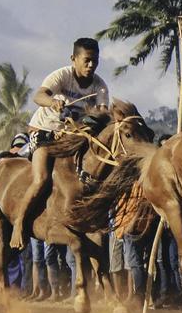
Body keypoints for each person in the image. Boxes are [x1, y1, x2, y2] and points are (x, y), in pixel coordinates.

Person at [9, 38, 112, 250]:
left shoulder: (100, 86)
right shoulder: (62, 75)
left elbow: (102, 114)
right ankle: (19, 223)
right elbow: (39, 95)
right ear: (74, 59)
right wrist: (53, 102)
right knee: (42, 179)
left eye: (95, 61)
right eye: (87, 60)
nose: (91, 65)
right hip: (45, 131)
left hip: (72, 137)